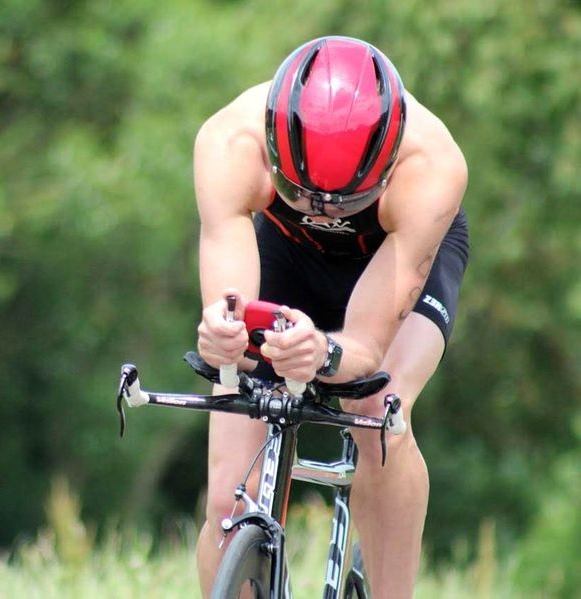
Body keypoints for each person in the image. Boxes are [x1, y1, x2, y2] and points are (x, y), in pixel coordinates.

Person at [193, 36, 469, 597]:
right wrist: (222, 334)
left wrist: (327, 352)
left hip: (392, 258)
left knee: (379, 407)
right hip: (286, 254)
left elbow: (366, 348)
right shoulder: (231, 141)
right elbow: (229, 307)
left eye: (345, 201)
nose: (323, 212)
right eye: (300, 194)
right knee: (228, 500)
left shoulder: (432, 166)